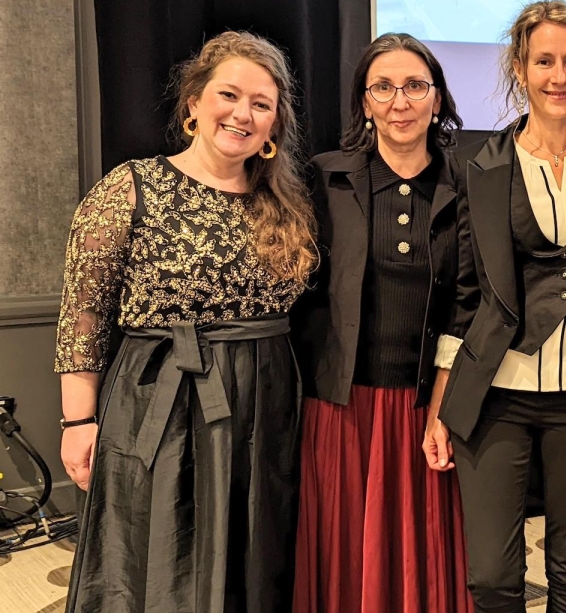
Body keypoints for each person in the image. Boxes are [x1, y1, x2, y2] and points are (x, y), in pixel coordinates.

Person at [55, 31, 317, 612]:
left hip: (263, 403)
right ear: (194, 102)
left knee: (256, 555)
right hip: (159, 401)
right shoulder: (130, 188)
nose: (242, 114)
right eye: (229, 94)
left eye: (261, 103)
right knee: (159, 557)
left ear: (275, 123)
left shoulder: (289, 200)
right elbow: (85, 312)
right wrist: (78, 418)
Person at [425, 0, 566, 612]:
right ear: (520, 68)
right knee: (491, 573)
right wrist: (442, 401)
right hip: (497, 389)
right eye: (543, 60)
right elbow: (465, 295)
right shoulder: (477, 164)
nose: (558, 75)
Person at [290, 33, 472, 613]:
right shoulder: (324, 179)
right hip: (342, 405)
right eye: (384, 88)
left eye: (416, 86)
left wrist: (443, 406)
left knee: (426, 560)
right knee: (345, 557)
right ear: (363, 102)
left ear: (438, 99)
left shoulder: (469, 184)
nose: (401, 101)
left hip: (429, 405)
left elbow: (472, 304)